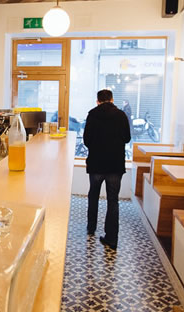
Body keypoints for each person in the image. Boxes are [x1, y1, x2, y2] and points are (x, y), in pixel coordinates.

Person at [82, 89, 131, 250]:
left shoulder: (92, 115)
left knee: (93, 195)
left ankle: (91, 227)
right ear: (111, 100)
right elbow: (127, 138)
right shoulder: (121, 115)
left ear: (97, 101)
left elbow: (87, 140)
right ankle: (112, 239)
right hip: (115, 166)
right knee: (113, 201)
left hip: (96, 164)